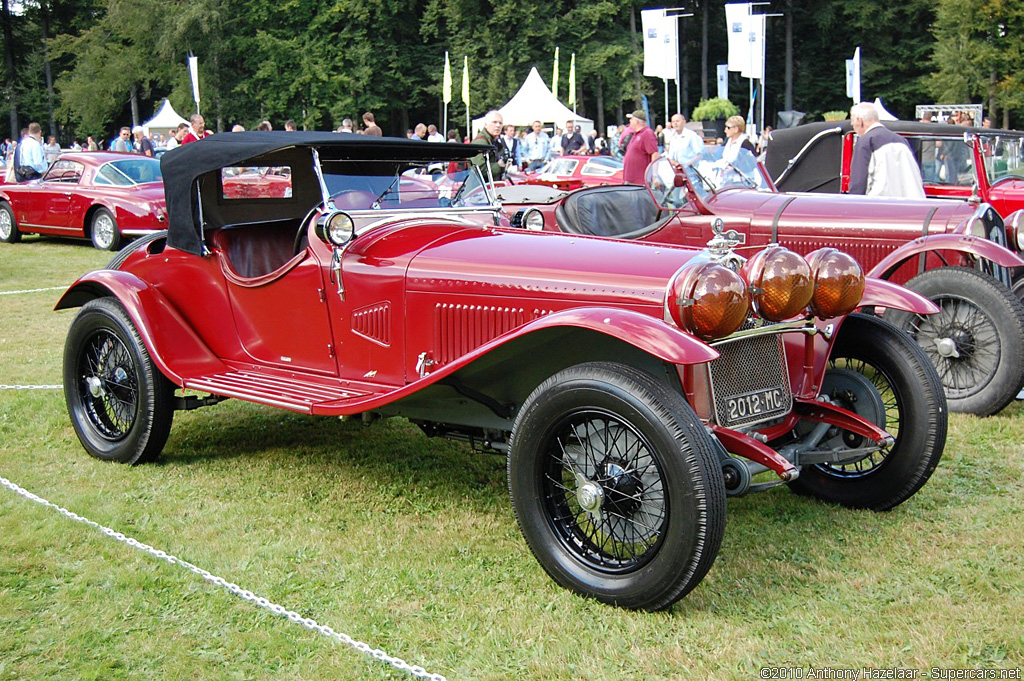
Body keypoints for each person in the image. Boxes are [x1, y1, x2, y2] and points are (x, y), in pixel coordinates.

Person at [848, 102, 924, 198]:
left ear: (860, 120)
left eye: (852, 121)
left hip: (879, 204)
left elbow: (859, 182)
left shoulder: (865, 142)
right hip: (909, 203)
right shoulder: (901, 140)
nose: (852, 125)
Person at [621, 110, 659, 185]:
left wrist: (654, 176)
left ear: (636, 121)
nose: (630, 121)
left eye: (631, 119)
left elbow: (655, 155)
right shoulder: (635, 135)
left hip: (639, 181)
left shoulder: (647, 133)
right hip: (630, 180)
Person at [471, 110, 506, 180]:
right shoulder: (481, 142)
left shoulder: (493, 141)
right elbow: (479, 169)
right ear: (485, 124)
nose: (498, 125)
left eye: (500, 123)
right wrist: (499, 166)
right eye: (494, 122)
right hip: (480, 187)